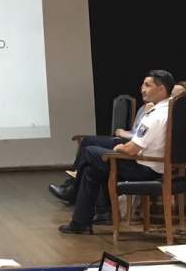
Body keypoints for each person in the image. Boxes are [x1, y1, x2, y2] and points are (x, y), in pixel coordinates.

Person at [59, 70, 175, 234]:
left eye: (147, 85)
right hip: (158, 166)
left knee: (90, 151)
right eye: (142, 85)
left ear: (162, 89)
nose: (142, 89)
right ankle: (80, 222)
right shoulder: (172, 109)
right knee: (91, 169)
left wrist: (118, 148)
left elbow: (131, 149)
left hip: (144, 169)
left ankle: (73, 193)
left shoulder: (155, 115)